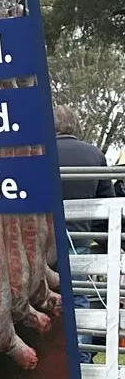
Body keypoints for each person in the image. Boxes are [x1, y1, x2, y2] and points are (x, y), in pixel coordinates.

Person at [56, 104, 114, 364]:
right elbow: (107, 204)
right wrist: (105, 244)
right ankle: (80, 358)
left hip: (39, 244)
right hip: (78, 241)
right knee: (77, 297)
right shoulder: (94, 154)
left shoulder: (38, 151)